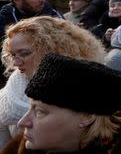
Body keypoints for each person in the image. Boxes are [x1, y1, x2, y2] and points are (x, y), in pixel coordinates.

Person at [0, 17, 106, 146]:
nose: (16, 63)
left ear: (56, 50)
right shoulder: (10, 91)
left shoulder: (87, 90)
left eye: (24, 53)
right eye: (12, 55)